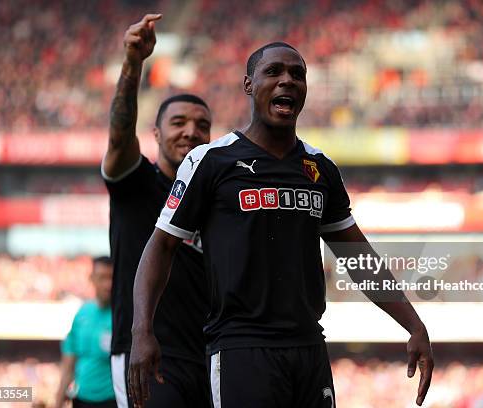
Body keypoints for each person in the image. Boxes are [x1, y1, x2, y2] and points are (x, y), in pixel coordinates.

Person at [129, 42, 434, 407]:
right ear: (248, 85)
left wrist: (414, 324)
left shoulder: (321, 168)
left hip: (309, 348)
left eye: (297, 74)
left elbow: (357, 257)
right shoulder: (211, 161)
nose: (287, 80)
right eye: (273, 72)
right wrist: (141, 330)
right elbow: (161, 246)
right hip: (242, 347)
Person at [102, 14, 212, 408]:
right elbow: (118, 135)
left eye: (202, 126)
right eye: (178, 122)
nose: (190, 132)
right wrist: (134, 62)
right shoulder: (136, 183)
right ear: (156, 134)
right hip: (146, 354)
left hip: (208, 356)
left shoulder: (209, 200)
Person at [55, 256, 116, 408]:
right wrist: (58, 400)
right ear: (92, 279)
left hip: (112, 400)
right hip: (81, 399)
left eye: (111, 278)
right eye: (102, 278)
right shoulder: (83, 313)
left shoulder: (122, 317)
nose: (108, 284)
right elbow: (69, 364)